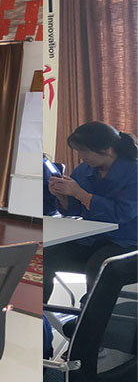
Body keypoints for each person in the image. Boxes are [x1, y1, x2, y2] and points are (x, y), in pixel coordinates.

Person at [43, 122, 137, 302]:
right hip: (92, 239)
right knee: (44, 256)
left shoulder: (134, 172)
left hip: (128, 241)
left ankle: (90, 315)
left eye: (84, 151)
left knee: (100, 267)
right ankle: (41, 311)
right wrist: (63, 197)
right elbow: (76, 211)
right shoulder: (83, 170)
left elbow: (122, 214)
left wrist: (80, 194)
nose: (81, 157)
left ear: (106, 149)